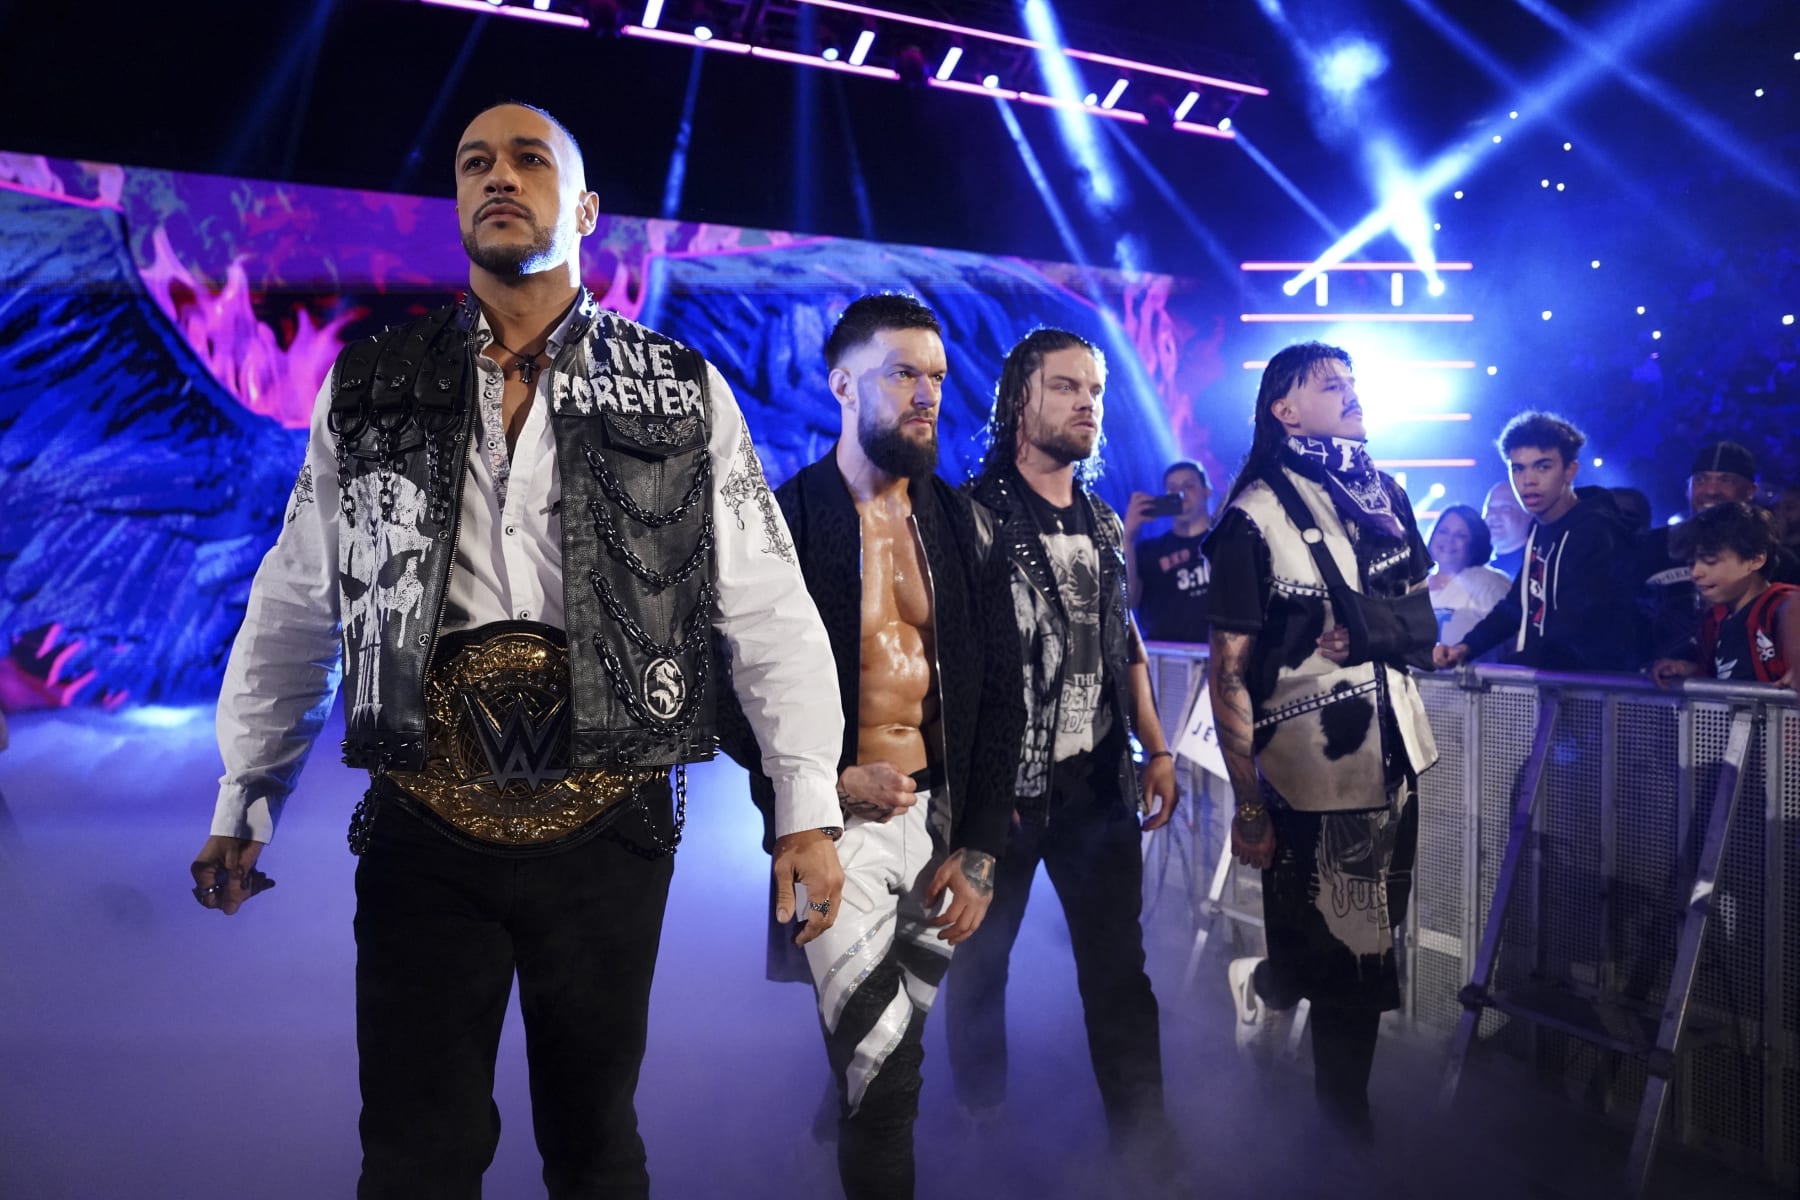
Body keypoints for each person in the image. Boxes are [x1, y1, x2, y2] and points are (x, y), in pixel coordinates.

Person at [189, 102, 849, 1199]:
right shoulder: (369, 382)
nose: (499, 177)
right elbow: (300, 596)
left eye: (529, 160)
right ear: (457, 204)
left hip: (609, 825)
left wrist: (808, 808)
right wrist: (242, 795)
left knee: (595, 1150)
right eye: (474, 164)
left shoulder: (682, 389)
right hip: (420, 825)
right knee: (411, 1157)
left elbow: (767, 605)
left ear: (585, 209)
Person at [718, 294, 1024, 1200]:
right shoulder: (782, 522)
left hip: (940, 826)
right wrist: (822, 780)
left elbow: (1004, 695)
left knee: (894, 1047)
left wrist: (982, 849)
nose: (927, 392)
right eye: (903, 373)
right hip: (835, 828)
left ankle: (829, 1132)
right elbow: (722, 688)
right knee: (886, 1076)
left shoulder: (965, 525)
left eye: (935, 375)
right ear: (843, 384)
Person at [942, 327, 1183, 1175]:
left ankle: (1147, 1149)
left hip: (1097, 785)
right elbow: (954, 666)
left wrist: (1156, 748)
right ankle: (982, 1116)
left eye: (1096, 390)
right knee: (979, 965)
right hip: (1004, 792)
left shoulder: (1106, 520)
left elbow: (1126, 642)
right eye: (1066, 387)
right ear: (1021, 401)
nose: (1087, 403)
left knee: (1121, 974)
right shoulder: (971, 515)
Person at [1202, 341, 1438, 1142]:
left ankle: (1267, 982)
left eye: (1352, 380)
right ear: (1283, 408)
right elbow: (1227, 671)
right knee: (1356, 966)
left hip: (1398, 754)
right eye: (1328, 383)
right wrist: (1248, 806)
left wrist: (1370, 628)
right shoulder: (1252, 515)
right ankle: (1345, 1140)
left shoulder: (1384, 493)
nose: (1350, 392)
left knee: (1361, 947)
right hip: (1313, 772)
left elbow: (1420, 623)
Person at [1435, 412, 1645, 673]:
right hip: (1554, 688)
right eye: (1518, 468)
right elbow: (1516, 605)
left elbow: (1579, 626)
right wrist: (1463, 648)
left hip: (1597, 693)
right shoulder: (1539, 527)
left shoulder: (1595, 531)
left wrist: (1516, 669)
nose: (1528, 480)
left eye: (1543, 466)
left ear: (1570, 470)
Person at [1637, 442, 1760, 673]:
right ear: (1688, 488)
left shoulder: (1771, 557)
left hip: (1740, 698)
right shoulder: (1650, 547)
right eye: (1701, 479)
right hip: (1651, 694)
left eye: (1727, 480)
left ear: (1750, 492)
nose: (1711, 490)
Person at [1652, 501, 1798, 695]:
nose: (1696, 572)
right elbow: (1724, 677)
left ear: (1755, 560)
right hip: (1737, 725)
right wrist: (1691, 671)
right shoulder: (1713, 621)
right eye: (1691, 562)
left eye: (1710, 561)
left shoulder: (1780, 605)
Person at [1125, 459, 1213, 643]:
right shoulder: (1149, 550)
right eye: (1172, 489)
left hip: (1217, 653)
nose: (1181, 494)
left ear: (1207, 491)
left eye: (1189, 486)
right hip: (1166, 656)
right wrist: (1128, 537)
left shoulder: (1226, 540)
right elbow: (1130, 600)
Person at [1426, 504, 1511, 646]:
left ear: (1476, 542)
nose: (1449, 539)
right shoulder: (1414, 584)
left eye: (1460, 535)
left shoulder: (1489, 583)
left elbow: (1501, 635)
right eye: (1443, 531)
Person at [1482, 481, 1531, 578]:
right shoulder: (1476, 564)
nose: (1494, 515)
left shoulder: (1538, 567)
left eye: (1505, 508)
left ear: (1528, 514)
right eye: (1490, 508)